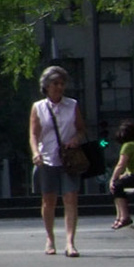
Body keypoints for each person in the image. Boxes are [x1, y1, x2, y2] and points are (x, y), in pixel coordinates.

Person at [28, 65, 88, 256]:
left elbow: (81, 129)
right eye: (55, 83)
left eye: (62, 84)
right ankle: (50, 238)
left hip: (69, 160)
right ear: (46, 86)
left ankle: (70, 242)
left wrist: (75, 140)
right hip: (47, 159)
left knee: (71, 198)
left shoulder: (73, 105)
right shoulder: (38, 107)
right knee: (49, 200)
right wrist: (35, 152)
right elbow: (34, 134)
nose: (59, 87)